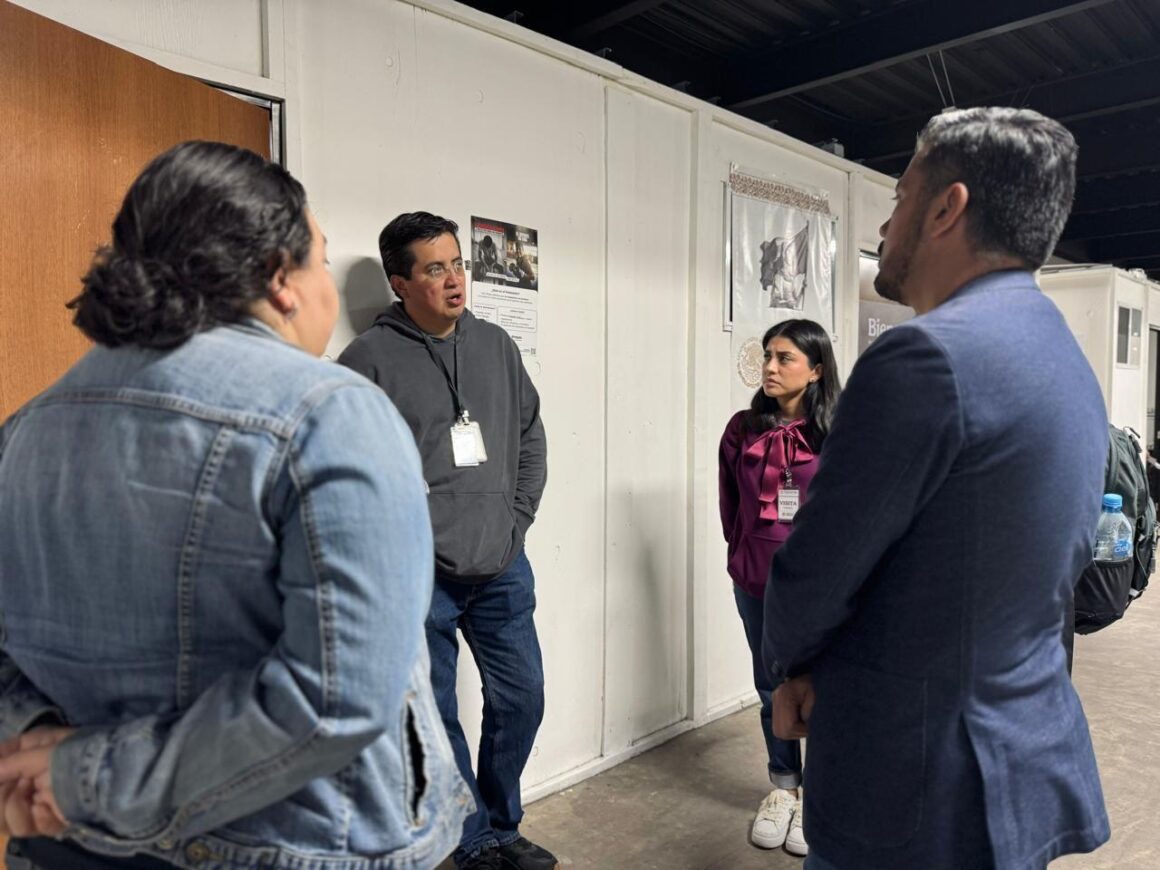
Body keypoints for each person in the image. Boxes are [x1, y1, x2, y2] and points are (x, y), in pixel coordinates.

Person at [0, 141, 469, 869]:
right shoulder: (328, 413)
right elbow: (334, 700)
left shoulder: (25, 429)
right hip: (293, 848)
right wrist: (81, 774)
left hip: (70, 839)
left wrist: (40, 752)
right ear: (282, 279)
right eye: (319, 258)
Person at [762, 107, 1111, 870]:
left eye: (898, 199)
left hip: (919, 778)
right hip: (1019, 749)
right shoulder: (1062, 355)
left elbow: (821, 564)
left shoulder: (922, 359)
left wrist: (789, 665)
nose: (886, 227)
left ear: (947, 208)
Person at [338, 213, 554, 870]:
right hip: (421, 576)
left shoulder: (495, 346)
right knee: (434, 715)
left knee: (522, 698)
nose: (455, 279)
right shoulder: (366, 361)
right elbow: (353, 471)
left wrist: (514, 521)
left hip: (501, 564)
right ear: (400, 282)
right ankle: (471, 839)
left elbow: (530, 440)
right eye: (434, 268)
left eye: (458, 263)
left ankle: (500, 819)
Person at [718, 319, 840, 858]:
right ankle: (784, 788)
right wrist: (744, 555)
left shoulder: (839, 434)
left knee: (828, 690)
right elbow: (731, 506)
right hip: (757, 583)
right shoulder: (742, 429)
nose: (770, 367)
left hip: (822, 589)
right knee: (772, 687)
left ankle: (823, 798)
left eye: (784, 358)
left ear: (815, 370)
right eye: (767, 356)